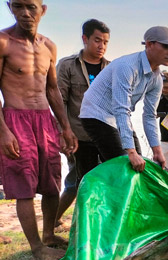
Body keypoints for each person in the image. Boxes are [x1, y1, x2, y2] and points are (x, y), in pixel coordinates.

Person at [0, 0, 78, 260]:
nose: (25, 12)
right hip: (15, 119)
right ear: (10, 7)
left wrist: (65, 127)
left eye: (31, 6)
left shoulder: (49, 46)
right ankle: (36, 248)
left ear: (42, 10)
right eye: (18, 6)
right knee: (23, 184)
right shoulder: (3, 41)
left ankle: (49, 235)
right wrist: (4, 132)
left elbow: (53, 89)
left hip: (45, 119)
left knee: (51, 181)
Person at [79, 26, 168, 172]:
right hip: (96, 114)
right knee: (127, 166)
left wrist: (157, 151)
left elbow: (149, 115)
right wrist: (130, 152)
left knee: (140, 166)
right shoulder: (127, 67)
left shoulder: (157, 79)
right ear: (149, 44)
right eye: (166, 46)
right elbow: (120, 108)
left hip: (116, 119)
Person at [55, 18, 110, 227]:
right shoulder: (68, 66)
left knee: (104, 181)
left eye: (105, 42)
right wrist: (63, 133)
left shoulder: (110, 68)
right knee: (76, 182)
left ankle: (97, 224)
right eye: (97, 40)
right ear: (85, 39)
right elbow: (59, 102)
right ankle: (55, 220)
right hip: (77, 136)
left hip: (104, 136)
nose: (101, 46)